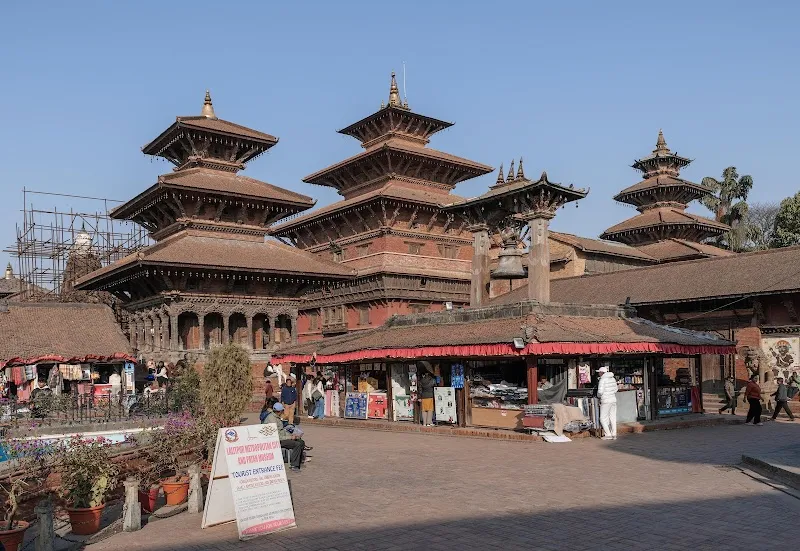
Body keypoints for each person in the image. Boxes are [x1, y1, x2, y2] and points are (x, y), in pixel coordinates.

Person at [262, 401, 306, 472]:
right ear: (279, 411)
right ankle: (294, 465)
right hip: (277, 440)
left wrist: (291, 435)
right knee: (297, 444)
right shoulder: (272, 420)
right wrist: (290, 437)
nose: (283, 412)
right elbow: (277, 436)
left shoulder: (276, 417)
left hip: (281, 437)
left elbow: (282, 431)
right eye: (282, 411)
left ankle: (298, 461)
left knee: (301, 442)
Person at [596, 366, 618, 440]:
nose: (598, 373)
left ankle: (608, 434)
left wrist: (598, 396)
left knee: (602, 418)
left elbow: (600, 392)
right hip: (613, 400)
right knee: (613, 417)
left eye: (599, 372)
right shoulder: (613, 378)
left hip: (605, 400)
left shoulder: (602, 380)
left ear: (602, 373)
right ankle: (614, 434)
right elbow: (616, 389)